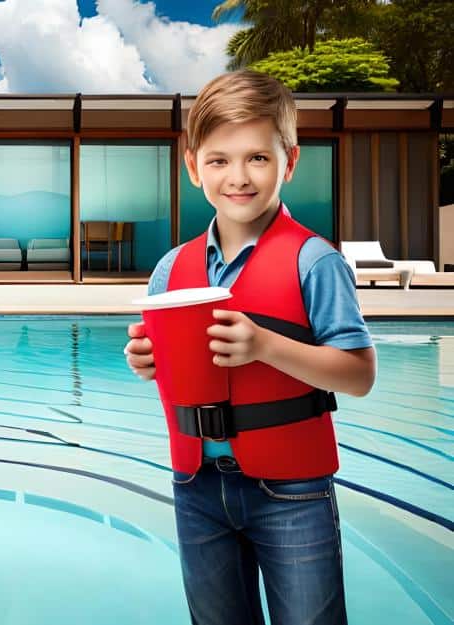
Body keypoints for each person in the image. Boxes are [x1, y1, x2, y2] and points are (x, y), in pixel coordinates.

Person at [124, 69, 376, 625]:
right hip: (197, 487)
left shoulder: (315, 261)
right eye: (219, 160)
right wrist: (148, 362)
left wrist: (265, 345)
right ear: (193, 167)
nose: (238, 176)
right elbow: (178, 371)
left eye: (257, 158)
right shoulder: (170, 271)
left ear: (289, 161)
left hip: (292, 492)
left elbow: (359, 374)